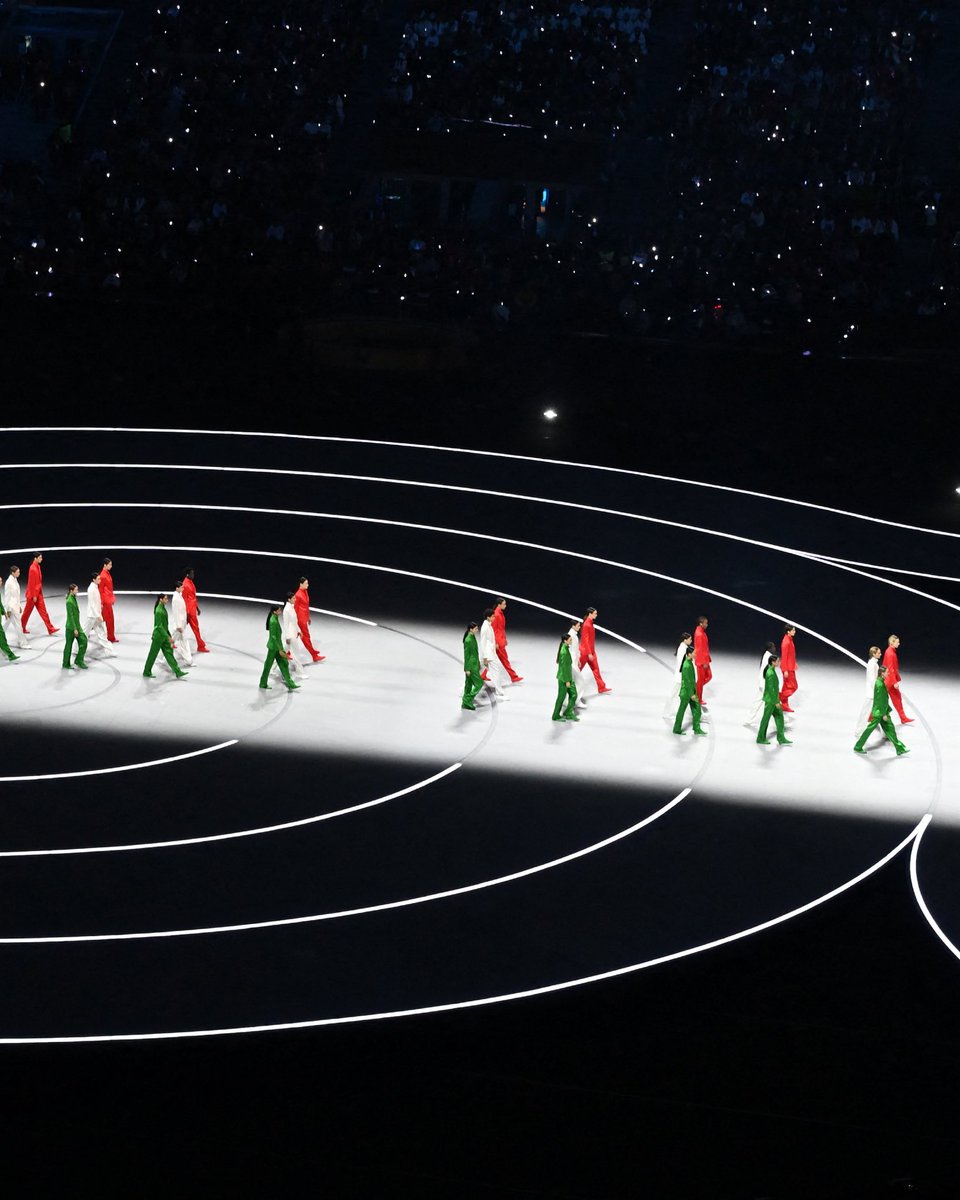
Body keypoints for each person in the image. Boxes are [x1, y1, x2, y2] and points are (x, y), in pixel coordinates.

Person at [855, 665, 909, 755]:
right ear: (882, 673)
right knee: (869, 730)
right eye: (887, 672)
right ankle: (858, 746)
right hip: (880, 712)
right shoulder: (879, 684)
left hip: (882, 711)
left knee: (890, 729)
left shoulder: (880, 682)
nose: (888, 673)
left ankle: (899, 748)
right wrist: (883, 714)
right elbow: (880, 700)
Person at [143, 594, 188, 679]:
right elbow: (159, 626)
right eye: (166, 599)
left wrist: (168, 635)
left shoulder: (162, 608)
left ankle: (178, 671)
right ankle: (146, 671)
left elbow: (164, 625)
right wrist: (168, 637)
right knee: (152, 655)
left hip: (163, 636)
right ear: (161, 599)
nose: (167, 600)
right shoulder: (159, 610)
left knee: (169, 654)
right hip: (158, 637)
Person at [260, 603, 299, 690]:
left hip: (277, 646)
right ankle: (263, 683)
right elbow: (273, 637)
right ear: (274, 612)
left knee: (284, 663)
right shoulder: (273, 621)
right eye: (279, 610)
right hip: (274, 647)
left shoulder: (275, 618)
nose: (280, 611)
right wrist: (280, 649)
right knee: (268, 666)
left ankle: (290, 683)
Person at [756, 653, 792, 746]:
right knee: (766, 719)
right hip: (771, 701)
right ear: (773, 662)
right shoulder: (770, 673)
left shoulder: (770, 670)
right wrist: (776, 702)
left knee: (779, 716)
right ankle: (760, 738)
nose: (779, 662)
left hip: (772, 699)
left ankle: (781, 738)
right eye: (777, 661)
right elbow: (771, 689)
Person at [673, 645, 707, 735]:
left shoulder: (689, 662)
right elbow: (687, 682)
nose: (696, 654)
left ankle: (696, 729)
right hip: (687, 693)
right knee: (683, 711)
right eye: (694, 653)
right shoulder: (687, 666)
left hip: (690, 691)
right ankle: (677, 729)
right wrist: (692, 694)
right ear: (689, 654)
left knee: (695, 710)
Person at [22, 553, 58, 636]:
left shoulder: (38, 566)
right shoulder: (32, 568)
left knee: (44, 612)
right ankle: (21, 627)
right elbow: (31, 583)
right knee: (27, 613)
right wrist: (34, 595)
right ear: (35, 558)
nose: (41, 559)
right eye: (40, 557)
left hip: (38, 593)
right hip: (32, 595)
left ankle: (50, 628)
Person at [743, 642, 777, 728]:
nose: (775, 648)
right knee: (771, 703)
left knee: (758, 702)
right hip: (765, 684)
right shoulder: (769, 657)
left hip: (763, 683)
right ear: (770, 648)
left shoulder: (767, 655)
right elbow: (766, 672)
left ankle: (748, 719)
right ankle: (778, 722)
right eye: (773, 647)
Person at [882, 634, 914, 724]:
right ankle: (871, 717)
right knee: (882, 700)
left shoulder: (890, 651)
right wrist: (894, 682)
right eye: (897, 642)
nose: (899, 643)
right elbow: (890, 669)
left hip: (890, 680)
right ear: (892, 642)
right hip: (888, 681)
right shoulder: (890, 653)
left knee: (897, 698)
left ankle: (903, 718)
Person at [579, 606, 611, 693]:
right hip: (585, 652)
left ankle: (601, 687)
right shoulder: (586, 624)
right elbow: (585, 640)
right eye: (595, 613)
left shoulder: (590, 623)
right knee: (578, 670)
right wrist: (589, 653)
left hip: (591, 651)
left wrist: (592, 652)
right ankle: (569, 684)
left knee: (596, 669)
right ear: (590, 614)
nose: (596, 615)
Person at [491, 597, 522, 683]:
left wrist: (504, 639)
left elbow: (501, 628)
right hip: (498, 642)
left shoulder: (499, 613)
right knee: (504, 660)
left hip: (500, 640)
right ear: (499, 605)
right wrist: (496, 642)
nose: (506, 605)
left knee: (492, 659)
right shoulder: (496, 614)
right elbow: (493, 629)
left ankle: (482, 675)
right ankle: (514, 677)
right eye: (504, 604)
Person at [84, 572, 116, 657]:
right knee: (84, 633)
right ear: (94, 580)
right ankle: (76, 649)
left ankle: (109, 650)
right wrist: (98, 615)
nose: (100, 580)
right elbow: (92, 604)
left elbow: (96, 602)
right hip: (92, 616)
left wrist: (100, 611)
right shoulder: (91, 589)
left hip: (96, 615)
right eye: (98, 579)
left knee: (102, 633)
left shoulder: (95, 587)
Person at [663, 632, 693, 720]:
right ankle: (666, 713)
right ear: (685, 640)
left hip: (680, 675)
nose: (691, 641)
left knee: (681, 695)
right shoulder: (683, 649)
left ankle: (669, 712)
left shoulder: (684, 647)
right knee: (674, 694)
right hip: (680, 676)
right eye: (690, 639)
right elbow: (681, 663)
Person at [480, 608, 509, 699]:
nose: (494, 618)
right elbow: (483, 642)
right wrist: (485, 657)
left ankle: (464, 689)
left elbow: (490, 639)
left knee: (478, 672)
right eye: (493, 616)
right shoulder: (485, 627)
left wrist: (494, 644)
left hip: (490, 653)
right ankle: (499, 692)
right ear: (488, 617)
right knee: (495, 672)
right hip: (488, 655)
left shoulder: (489, 625)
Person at [293, 576, 323, 662]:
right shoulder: (298, 595)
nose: (308, 585)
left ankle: (287, 652)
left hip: (304, 618)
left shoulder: (305, 592)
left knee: (296, 636)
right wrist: (295, 621)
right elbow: (295, 609)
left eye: (307, 583)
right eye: (306, 583)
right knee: (305, 637)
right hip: (300, 620)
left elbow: (306, 606)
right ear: (301, 584)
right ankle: (314, 655)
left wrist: (308, 617)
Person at [181, 567, 209, 653]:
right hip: (189, 611)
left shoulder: (190, 582)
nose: (193, 575)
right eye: (192, 573)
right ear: (187, 574)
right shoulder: (185, 584)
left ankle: (201, 645)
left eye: (193, 573)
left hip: (192, 609)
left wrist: (197, 608)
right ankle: (201, 646)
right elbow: (184, 599)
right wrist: (187, 613)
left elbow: (193, 597)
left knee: (181, 628)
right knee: (183, 628)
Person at [552, 632, 579, 721]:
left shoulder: (565, 648)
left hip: (568, 677)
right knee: (561, 697)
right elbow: (563, 668)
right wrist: (567, 681)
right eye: (570, 640)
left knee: (574, 694)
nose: (571, 641)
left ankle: (568, 712)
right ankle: (555, 716)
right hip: (564, 678)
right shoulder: (564, 652)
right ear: (565, 641)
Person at [61, 584, 88, 670]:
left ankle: (78, 660)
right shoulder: (69, 601)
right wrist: (75, 629)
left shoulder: (73, 598)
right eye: (76, 590)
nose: (77, 591)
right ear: (71, 591)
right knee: (69, 646)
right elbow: (70, 616)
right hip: (72, 627)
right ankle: (66, 663)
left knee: (84, 641)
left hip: (76, 625)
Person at [856, 646, 883, 730]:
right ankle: (858, 730)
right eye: (879, 653)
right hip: (871, 693)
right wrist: (878, 689)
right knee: (865, 712)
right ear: (874, 654)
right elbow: (872, 679)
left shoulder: (874, 663)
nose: (880, 654)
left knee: (880, 711)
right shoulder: (872, 664)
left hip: (874, 692)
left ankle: (885, 731)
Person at [282, 591, 306, 679]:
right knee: (296, 654)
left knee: (283, 652)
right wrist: (287, 637)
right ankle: (300, 672)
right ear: (289, 599)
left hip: (294, 633)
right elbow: (286, 624)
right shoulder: (287, 610)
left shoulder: (291, 607)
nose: (295, 599)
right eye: (293, 598)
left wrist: (299, 630)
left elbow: (294, 622)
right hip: (291, 635)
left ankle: (272, 668)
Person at [3, 565, 29, 649]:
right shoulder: (9, 582)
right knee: (18, 626)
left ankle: (22, 642)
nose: (19, 573)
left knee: (5, 625)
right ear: (13, 573)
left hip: (15, 607)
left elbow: (16, 596)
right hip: (11, 608)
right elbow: (8, 597)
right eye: (18, 572)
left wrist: (19, 606)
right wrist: (8, 610)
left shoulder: (15, 580)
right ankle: (23, 643)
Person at [461, 621, 485, 710]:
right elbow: (466, 655)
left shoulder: (472, 636)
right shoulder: (468, 640)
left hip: (474, 663)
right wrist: (467, 668)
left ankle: (465, 702)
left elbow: (474, 652)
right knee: (479, 683)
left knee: (468, 684)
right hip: (471, 666)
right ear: (471, 629)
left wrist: (478, 661)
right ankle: (467, 700)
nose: (477, 630)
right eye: (475, 629)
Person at [170, 581, 194, 667]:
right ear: (177, 588)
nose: (183, 588)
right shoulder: (176, 598)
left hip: (181, 624)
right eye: (182, 587)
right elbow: (176, 613)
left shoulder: (179, 596)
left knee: (174, 642)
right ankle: (189, 661)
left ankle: (189, 661)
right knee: (181, 642)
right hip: (179, 626)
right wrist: (179, 626)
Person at [567, 618, 589, 708]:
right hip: (571, 663)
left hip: (574, 661)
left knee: (575, 682)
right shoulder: (571, 635)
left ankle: (573, 701)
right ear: (573, 626)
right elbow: (568, 649)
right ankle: (576, 701)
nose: (579, 627)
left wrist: (578, 660)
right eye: (578, 626)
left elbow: (575, 649)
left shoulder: (573, 635)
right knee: (579, 682)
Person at [99, 557, 118, 643]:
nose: (111, 566)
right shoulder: (103, 575)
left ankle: (86, 630)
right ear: (105, 565)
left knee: (100, 618)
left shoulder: (107, 573)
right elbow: (101, 589)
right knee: (109, 619)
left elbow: (109, 588)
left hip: (108, 599)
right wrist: (102, 602)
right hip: (105, 601)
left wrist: (111, 598)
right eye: (110, 564)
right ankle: (111, 637)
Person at [779, 625, 798, 711]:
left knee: (786, 687)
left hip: (790, 666)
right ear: (788, 631)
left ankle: (784, 706)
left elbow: (790, 655)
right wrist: (785, 670)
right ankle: (778, 697)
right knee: (793, 687)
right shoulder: (786, 642)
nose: (795, 632)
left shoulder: (789, 640)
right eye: (793, 630)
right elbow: (784, 656)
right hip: (788, 668)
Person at [694, 615, 711, 706]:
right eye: (705, 623)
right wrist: (704, 662)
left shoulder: (701, 631)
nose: (707, 624)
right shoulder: (699, 634)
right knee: (701, 680)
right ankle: (697, 697)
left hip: (704, 659)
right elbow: (700, 649)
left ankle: (695, 690)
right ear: (701, 624)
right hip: (701, 661)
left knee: (708, 676)